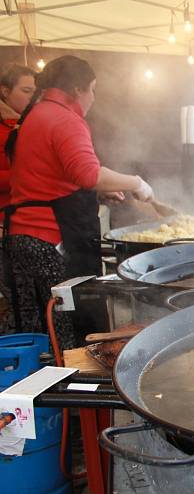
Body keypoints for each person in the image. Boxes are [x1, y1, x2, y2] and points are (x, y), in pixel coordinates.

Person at [5, 55, 155, 349]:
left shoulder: (37, 114)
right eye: (93, 89)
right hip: (50, 242)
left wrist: (99, 192)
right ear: (77, 90)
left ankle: (40, 384)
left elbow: (48, 177)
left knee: (40, 328)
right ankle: (70, 386)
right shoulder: (64, 119)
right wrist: (136, 182)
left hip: (22, 239)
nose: (93, 98)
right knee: (69, 333)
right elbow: (87, 174)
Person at [0, 63, 36, 334]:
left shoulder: (29, 125)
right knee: (17, 302)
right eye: (25, 91)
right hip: (4, 225)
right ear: (5, 91)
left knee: (31, 303)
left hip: (25, 229)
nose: (31, 97)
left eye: (35, 91)